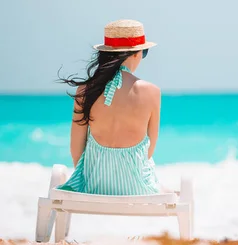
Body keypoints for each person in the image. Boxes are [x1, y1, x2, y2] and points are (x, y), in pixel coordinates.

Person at [56, 19, 162, 195]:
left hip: (94, 186)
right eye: (144, 53)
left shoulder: (85, 90)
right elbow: (149, 151)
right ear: (136, 54)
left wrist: (89, 178)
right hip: (136, 189)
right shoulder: (152, 91)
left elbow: (76, 148)